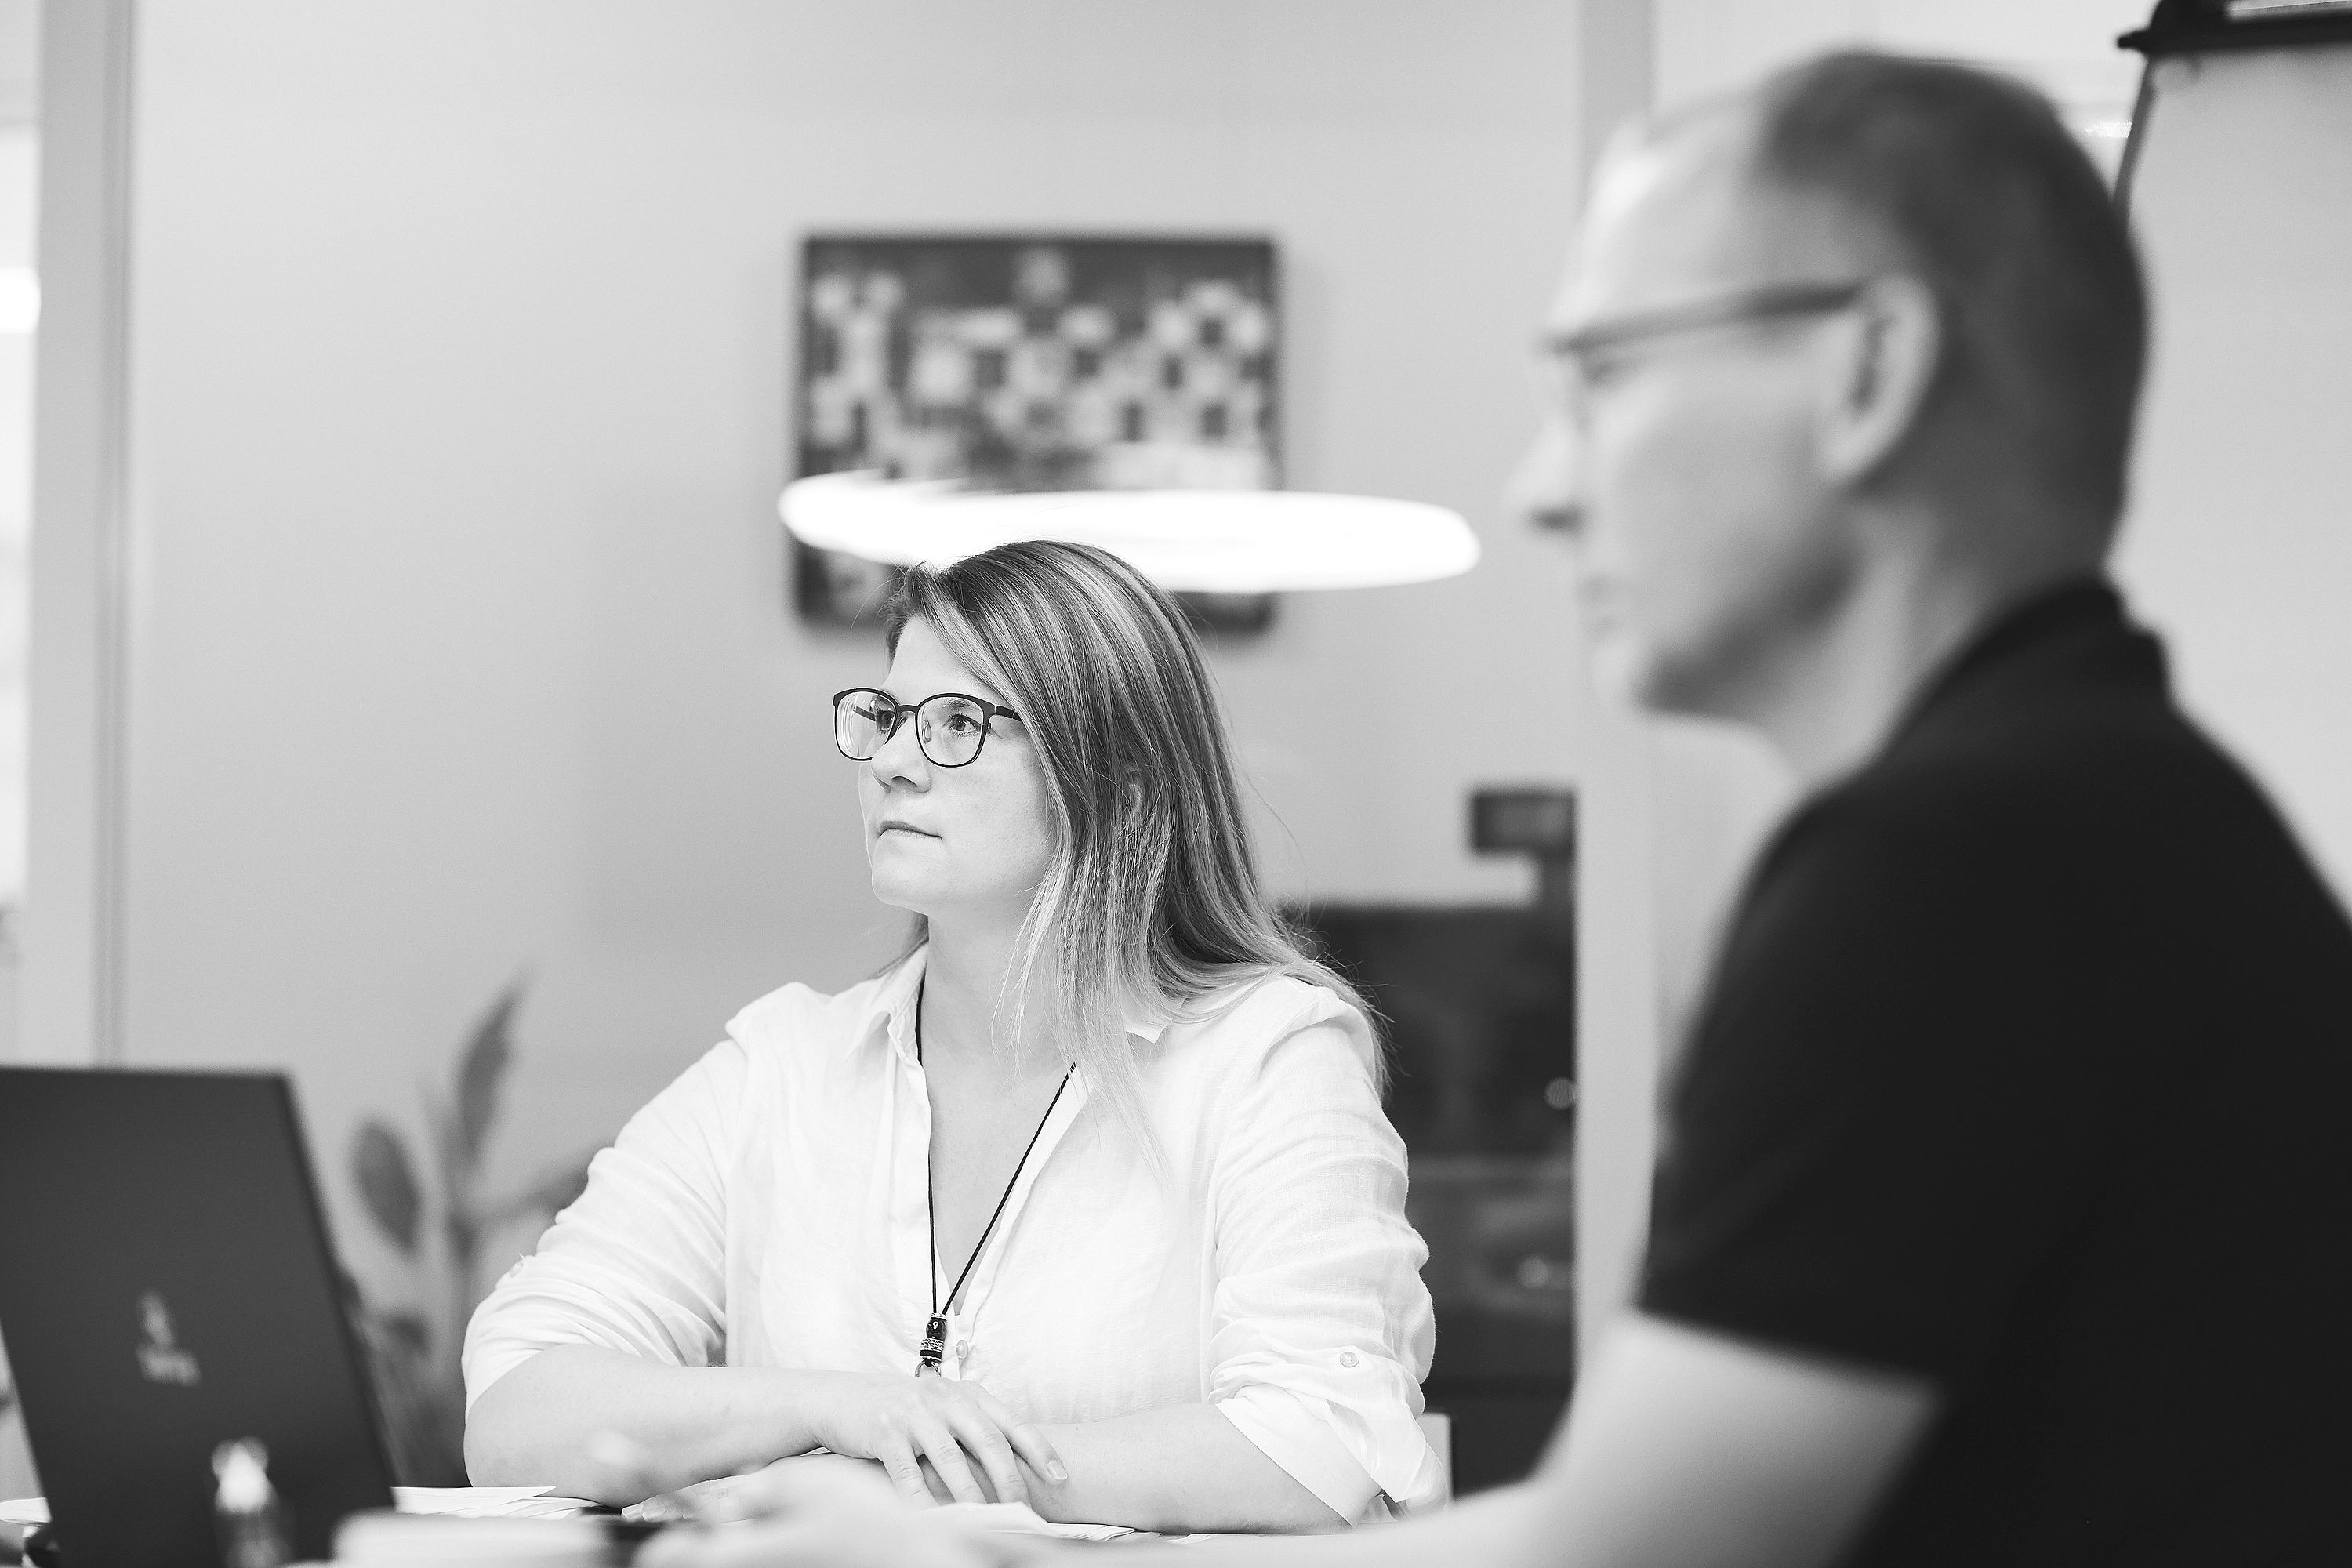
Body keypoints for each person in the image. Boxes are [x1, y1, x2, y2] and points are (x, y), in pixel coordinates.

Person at [639, 49, 2352, 1568]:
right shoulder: (2091, 822)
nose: (1542, 486)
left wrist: (971, 1557)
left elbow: (1639, 1547)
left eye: (1604, 375)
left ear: (1867, 373)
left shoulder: (1969, 870)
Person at [463, 539, 1443, 1532]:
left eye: (959, 724)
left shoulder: (1269, 1054)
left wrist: (905, 1479)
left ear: (1125, 788)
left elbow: (1317, 1443)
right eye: (887, 717)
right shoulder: (782, 1066)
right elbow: (517, 1402)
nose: (891, 762)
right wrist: (838, 1407)